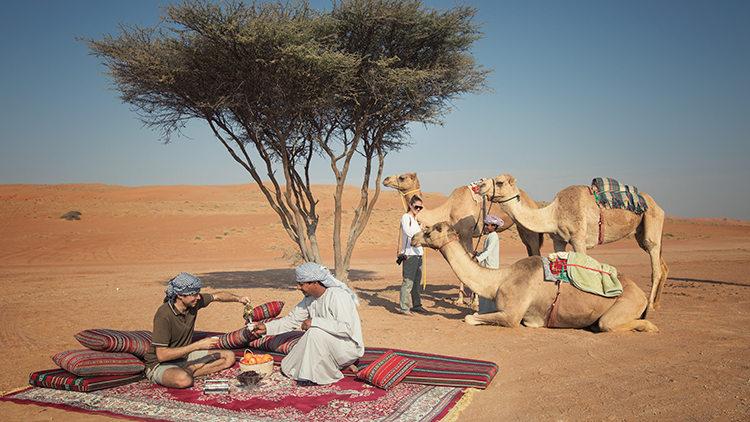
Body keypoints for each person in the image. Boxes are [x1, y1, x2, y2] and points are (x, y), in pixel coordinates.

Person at [251, 262, 364, 385]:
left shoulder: (337, 296)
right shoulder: (309, 299)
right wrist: (266, 327)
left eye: (301, 284)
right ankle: (335, 365)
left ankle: (320, 376)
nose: (298, 287)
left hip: (347, 347)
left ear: (315, 283)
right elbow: (291, 320)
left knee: (314, 331)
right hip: (329, 345)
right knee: (289, 365)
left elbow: (346, 328)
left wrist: (315, 321)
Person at [144, 272, 250, 389]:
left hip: (185, 357)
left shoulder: (193, 303)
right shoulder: (164, 315)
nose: (198, 297)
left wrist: (238, 298)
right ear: (180, 295)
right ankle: (192, 368)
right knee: (183, 380)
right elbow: (162, 355)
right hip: (161, 364)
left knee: (229, 357)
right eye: (194, 294)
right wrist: (197, 345)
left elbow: (217, 296)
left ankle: (188, 369)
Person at [399, 195, 426, 315]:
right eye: (416, 207)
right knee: (408, 281)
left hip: (419, 253)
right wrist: (420, 232)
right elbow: (408, 233)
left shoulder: (415, 219)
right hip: (409, 254)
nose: (418, 209)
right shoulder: (406, 217)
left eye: (420, 207)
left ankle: (417, 305)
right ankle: (404, 308)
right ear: (410, 205)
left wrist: (420, 229)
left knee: (416, 282)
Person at [474, 214, 504, 314]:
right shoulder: (490, 236)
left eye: (488, 225)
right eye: (485, 225)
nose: (486, 227)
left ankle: (490, 311)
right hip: (487, 266)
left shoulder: (493, 237)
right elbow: (485, 251)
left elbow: (488, 252)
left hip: (491, 267)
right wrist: (478, 253)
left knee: (489, 290)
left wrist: (478, 259)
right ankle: (484, 310)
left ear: (494, 226)